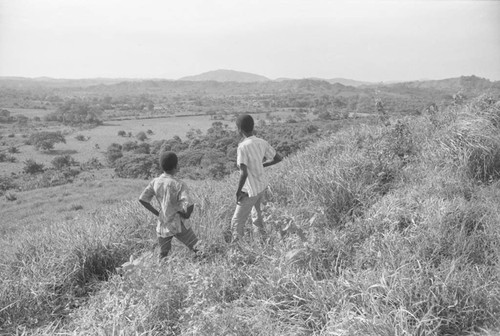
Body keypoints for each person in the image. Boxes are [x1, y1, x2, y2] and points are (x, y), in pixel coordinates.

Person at [139, 151, 199, 260]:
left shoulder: (155, 182)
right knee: (198, 248)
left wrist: (158, 213)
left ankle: (160, 273)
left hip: (163, 223)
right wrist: (186, 215)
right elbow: (189, 204)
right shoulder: (179, 184)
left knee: (163, 254)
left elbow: (142, 199)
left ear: (161, 166)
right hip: (178, 223)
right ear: (176, 166)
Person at [231, 114, 282, 242]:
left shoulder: (242, 147)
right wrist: (261, 165)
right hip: (261, 186)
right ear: (253, 127)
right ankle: (262, 243)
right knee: (258, 217)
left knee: (237, 222)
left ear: (239, 129)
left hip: (250, 190)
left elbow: (244, 173)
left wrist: (237, 192)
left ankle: (238, 249)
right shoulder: (261, 142)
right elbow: (278, 158)